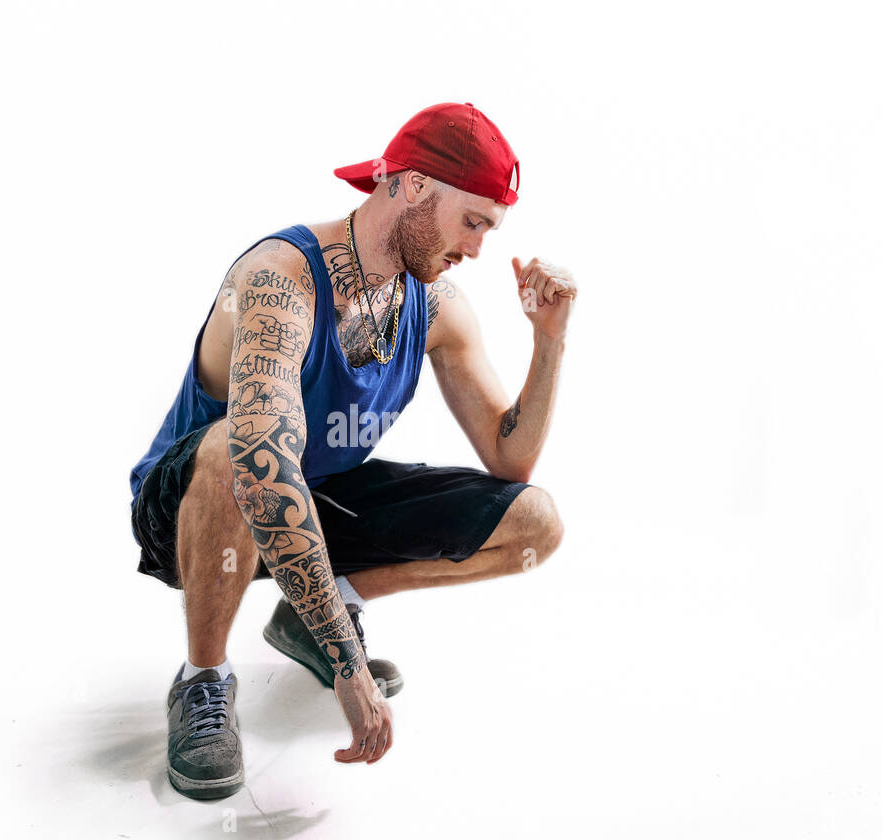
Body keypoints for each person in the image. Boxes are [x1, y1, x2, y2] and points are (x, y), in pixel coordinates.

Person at [129, 102, 576, 800]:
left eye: (491, 229)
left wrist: (549, 340)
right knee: (235, 451)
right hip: (191, 508)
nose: (478, 250)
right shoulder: (283, 279)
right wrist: (348, 664)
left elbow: (510, 461)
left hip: (313, 498)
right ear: (415, 186)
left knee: (535, 522)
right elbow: (262, 468)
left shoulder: (437, 308)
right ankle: (203, 680)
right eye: (474, 222)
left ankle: (312, 612)